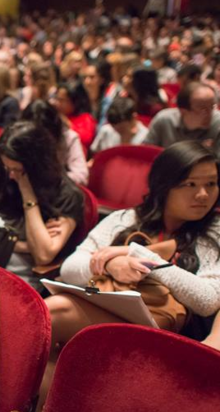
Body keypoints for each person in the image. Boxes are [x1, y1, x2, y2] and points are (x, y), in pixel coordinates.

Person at [47, 141, 220, 344]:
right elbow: (69, 268)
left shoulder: (213, 231)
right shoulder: (126, 219)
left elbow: (207, 300)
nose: (203, 195)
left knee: (58, 310)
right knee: (53, 322)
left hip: (169, 335)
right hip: (110, 309)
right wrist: (111, 265)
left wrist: (141, 258)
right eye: (190, 184)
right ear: (164, 185)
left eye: (211, 184)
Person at [0, 121, 84, 293]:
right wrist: (24, 245)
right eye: (7, 167)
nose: (11, 175)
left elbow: (42, 255)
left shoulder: (68, 195)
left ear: (37, 166)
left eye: (18, 170)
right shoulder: (5, 176)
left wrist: (27, 194)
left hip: (23, 272)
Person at [0, 100, 89, 185]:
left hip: (52, 195)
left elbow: (81, 175)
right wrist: (12, 173)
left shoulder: (68, 137)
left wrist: (45, 177)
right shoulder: (17, 135)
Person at [144, 82, 220, 158]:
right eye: (203, 109)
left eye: (212, 107)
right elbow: (145, 153)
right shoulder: (164, 120)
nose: (209, 114)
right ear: (183, 111)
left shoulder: (218, 123)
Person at [54, 80, 97, 153]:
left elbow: (86, 139)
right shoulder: (55, 116)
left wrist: (66, 122)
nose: (58, 103)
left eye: (62, 100)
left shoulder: (86, 118)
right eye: (57, 99)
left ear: (75, 101)